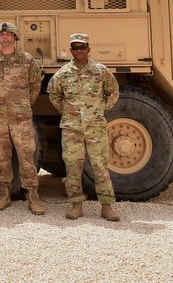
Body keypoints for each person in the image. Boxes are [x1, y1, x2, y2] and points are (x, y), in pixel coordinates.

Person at [48, 33, 122, 222]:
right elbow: (53, 94)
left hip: (95, 127)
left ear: (88, 49)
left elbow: (113, 91)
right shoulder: (63, 73)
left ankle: (106, 207)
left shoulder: (100, 71)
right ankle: (76, 206)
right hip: (71, 128)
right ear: (71, 50)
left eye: (82, 47)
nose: (79, 50)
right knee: (73, 167)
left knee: (100, 166)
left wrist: (101, 110)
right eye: (75, 47)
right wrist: (67, 111)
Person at [0, 21, 46, 215]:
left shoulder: (27, 60)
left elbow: (36, 84)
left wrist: (24, 103)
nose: (5, 37)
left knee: (26, 155)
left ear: (15, 37)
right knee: (2, 156)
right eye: (2, 34)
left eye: (9, 34)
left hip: (21, 117)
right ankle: (4, 195)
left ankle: (33, 197)